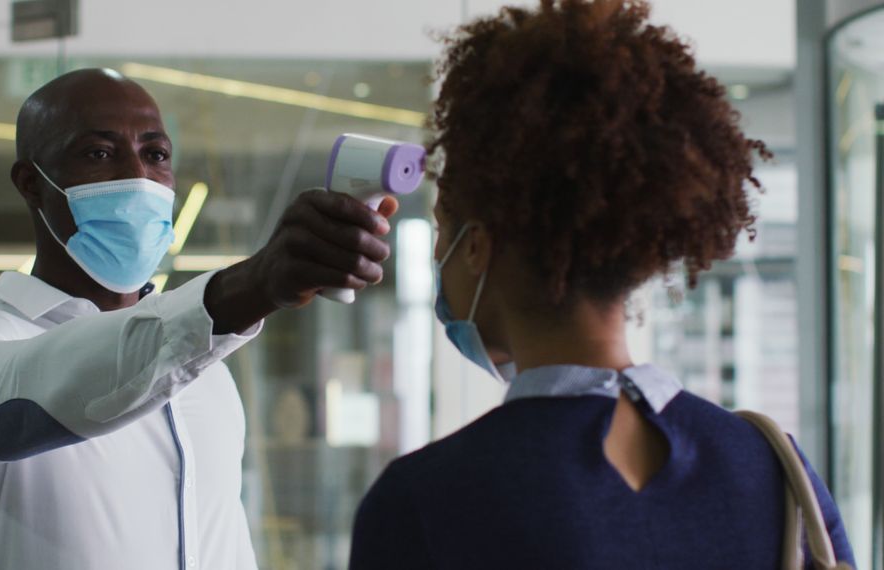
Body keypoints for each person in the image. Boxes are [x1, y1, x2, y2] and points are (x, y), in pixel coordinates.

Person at [349, 1, 856, 568]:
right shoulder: (772, 471)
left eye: (443, 231)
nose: (438, 256)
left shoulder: (426, 500)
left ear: (477, 247)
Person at [0, 68, 398, 570]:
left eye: (155, 155)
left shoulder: (208, 373)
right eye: (99, 153)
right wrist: (251, 287)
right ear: (31, 183)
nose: (137, 176)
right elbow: (50, 390)